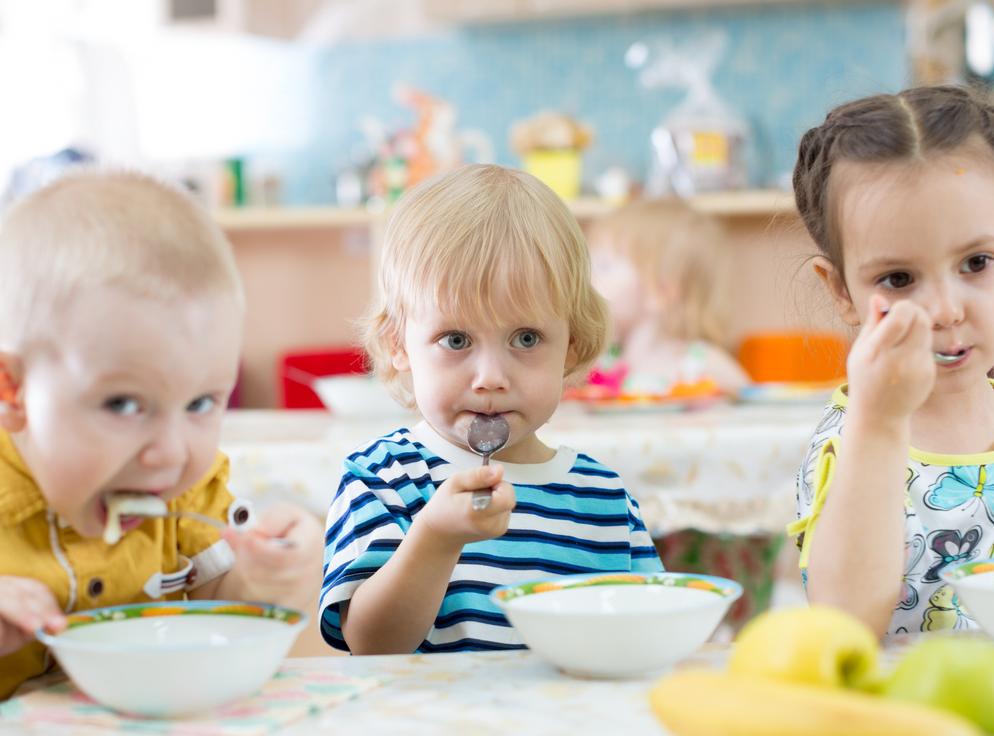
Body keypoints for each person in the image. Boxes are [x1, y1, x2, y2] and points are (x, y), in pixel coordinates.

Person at [0, 169, 324, 698]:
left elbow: (221, 604)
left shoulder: (190, 493)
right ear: (12, 391)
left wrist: (270, 582)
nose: (170, 453)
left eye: (200, 403)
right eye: (124, 404)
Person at [320, 164, 662, 654]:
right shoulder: (383, 479)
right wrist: (436, 538)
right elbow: (371, 646)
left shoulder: (603, 496)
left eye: (526, 338)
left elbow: (642, 639)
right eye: (455, 339)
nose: (490, 378)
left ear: (572, 345)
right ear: (399, 343)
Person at [789, 84, 994, 636]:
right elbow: (843, 623)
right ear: (839, 290)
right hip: (904, 715)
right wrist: (880, 423)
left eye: (977, 262)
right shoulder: (850, 440)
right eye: (899, 279)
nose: (946, 310)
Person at [586, 199, 749, 395]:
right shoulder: (603, 364)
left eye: (604, 267)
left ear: (660, 292)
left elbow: (754, 411)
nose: (587, 278)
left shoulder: (704, 365)